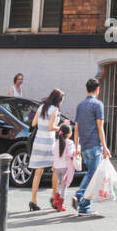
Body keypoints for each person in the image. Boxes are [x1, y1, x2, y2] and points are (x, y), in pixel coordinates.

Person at [73, 77, 110, 215]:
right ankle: (81, 199)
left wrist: (77, 147)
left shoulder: (80, 105)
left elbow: (76, 128)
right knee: (93, 175)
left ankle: (82, 202)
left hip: (84, 146)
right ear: (98, 89)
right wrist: (105, 147)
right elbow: (100, 128)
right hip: (95, 145)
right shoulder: (98, 104)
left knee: (90, 174)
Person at [28, 88, 64, 211]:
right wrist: (60, 127)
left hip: (38, 141)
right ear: (58, 100)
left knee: (38, 172)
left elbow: (33, 124)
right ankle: (54, 198)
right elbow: (51, 127)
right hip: (48, 143)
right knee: (55, 169)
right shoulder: (55, 110)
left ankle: (33, 200)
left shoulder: (41, 107)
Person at [51, 121, 76, 212]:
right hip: (65, 167)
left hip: (57, 167)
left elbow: (53, 151)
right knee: (64, 186)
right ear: (69, 134)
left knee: (60, 184)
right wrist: (76, 152)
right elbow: (70, 154)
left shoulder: (57, 142)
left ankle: (56, 200)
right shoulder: (70, 143)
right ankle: (60, 204)